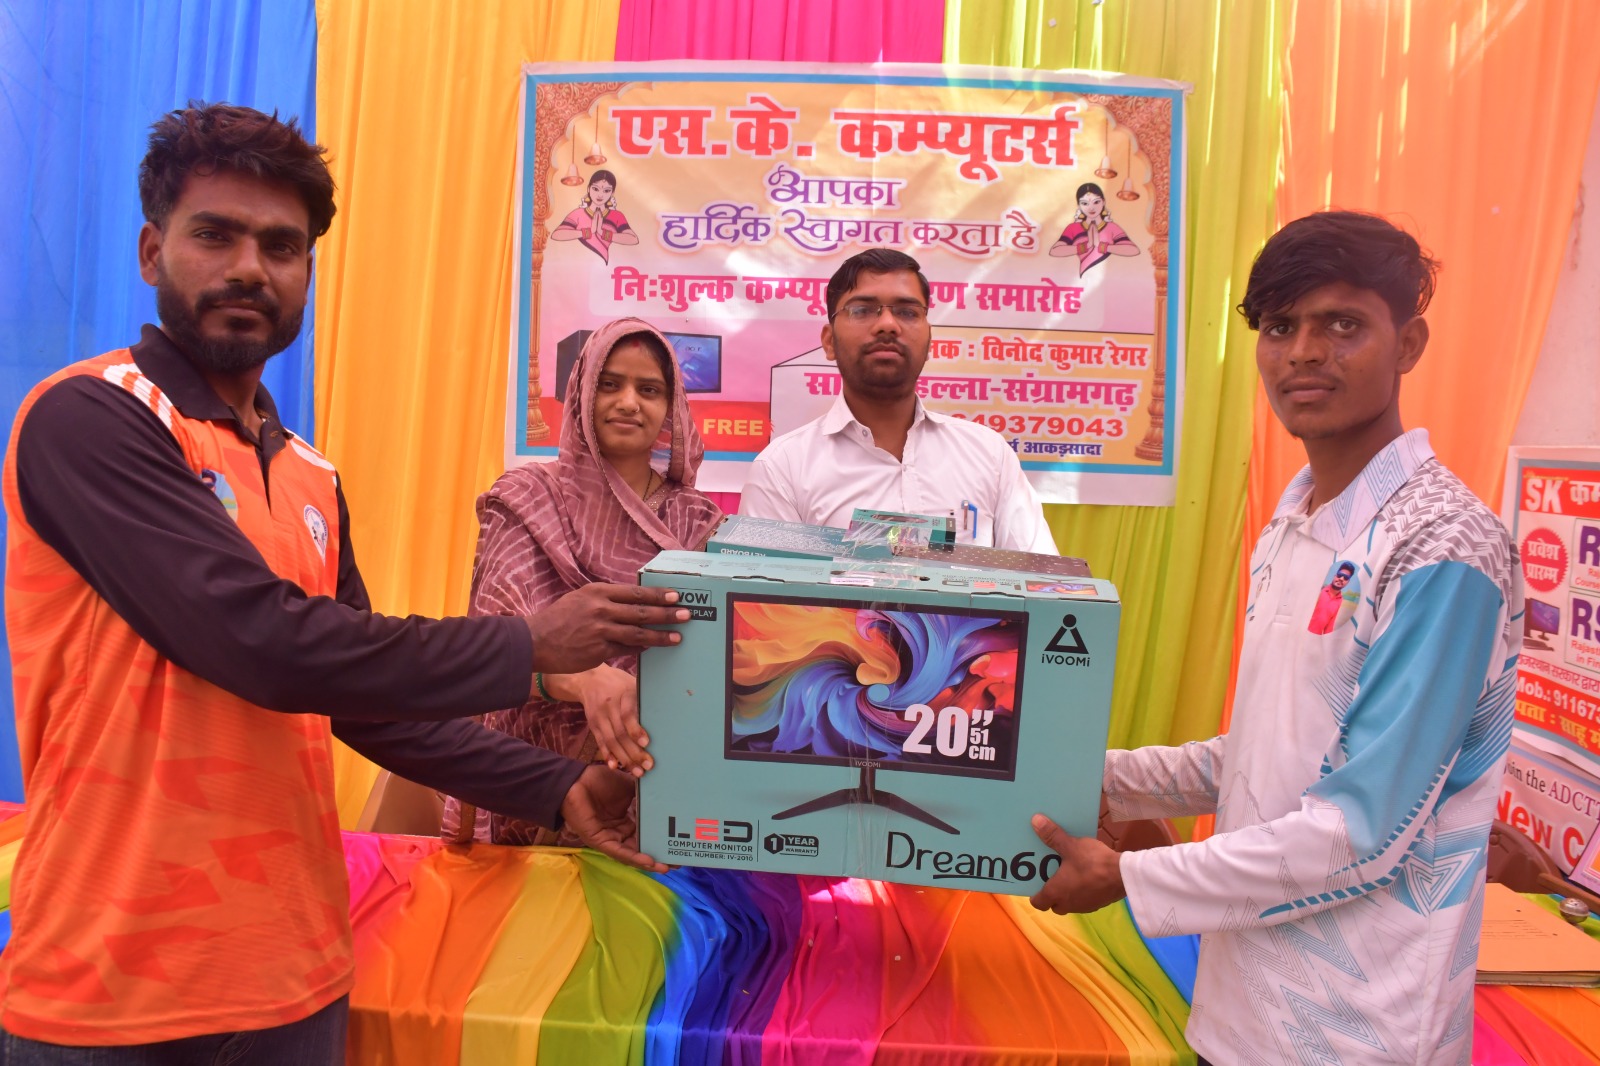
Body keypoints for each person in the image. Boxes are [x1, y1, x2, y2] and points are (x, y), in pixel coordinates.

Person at [0, 103, 689, 1063]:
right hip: (113, 982)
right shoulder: (93, 419)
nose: (250, 267)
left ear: (308, 274)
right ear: (153, 252)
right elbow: (261, 641)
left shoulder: (310, 473)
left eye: (282, 247)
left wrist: (558, 784)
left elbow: (365, 701)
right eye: (215, 235)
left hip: (297, 977)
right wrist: (531, 649)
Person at [1027, 212, 1520, 1064]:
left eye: (1343, 325)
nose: (1304, 353)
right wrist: (1093, 778)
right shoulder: (1294, 523)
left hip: (1359, 1034)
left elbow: (1360, 828)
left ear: (1408, 344)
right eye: (1281, 326)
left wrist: (1130, 875)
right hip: (1239, 1011)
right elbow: (1268, 755)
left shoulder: (1443, 548)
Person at [444, 319, 723, 845]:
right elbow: (489, 647)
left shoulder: (697, 520)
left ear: (671, 408)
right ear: (580, 392)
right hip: (533, 771)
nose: (628, 403)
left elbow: (711, 662)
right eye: (609, 384)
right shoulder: (526, 498)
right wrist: (582, 680)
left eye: (649, 390)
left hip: (654, 773)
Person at [740, 248, 1057, 553]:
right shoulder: (783, 469)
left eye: (907, 312)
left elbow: (1040, 577)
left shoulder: (989, 455)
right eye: (862, 310)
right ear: (829, 341)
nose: (887, 325)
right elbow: (764, 590)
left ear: (929, 341)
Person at [1047, 182, 1139, 275]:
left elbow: (1133, 250)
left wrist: (1102, 246)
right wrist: (1085, 246)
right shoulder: (1073, 228)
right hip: (1082, 277)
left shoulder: (1112, 228)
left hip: (1108, 277)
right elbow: (1054, 251)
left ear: (1103, 202)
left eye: (1096, 202)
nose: (1091, 208)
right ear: (1079, 205)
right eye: (1085, 203)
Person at [549, 169, 638, 263]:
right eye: (595, 189)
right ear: (588, 189)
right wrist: (589, 231)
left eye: (606, 191)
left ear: (612, 193)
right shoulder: (578, 214)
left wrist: (602, 233)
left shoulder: (617, 216)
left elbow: (633, 239)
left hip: (606, 265)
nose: (600, 195)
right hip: (578, 263)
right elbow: (556, 235)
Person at [1308, 559, 1357, 634]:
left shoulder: (1340, 600)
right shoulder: (1319, 591)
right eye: (1340, 575)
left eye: (1346, 577)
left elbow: (1329, 626)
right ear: (1335, 576)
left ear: (1348, 582)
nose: (1341, 579)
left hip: (1314, 638)